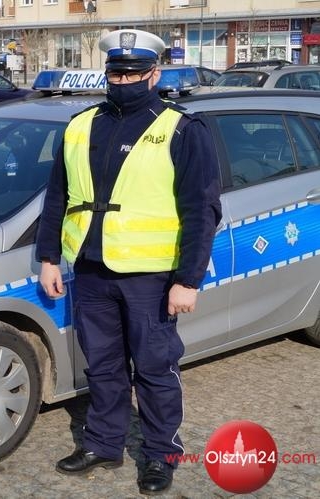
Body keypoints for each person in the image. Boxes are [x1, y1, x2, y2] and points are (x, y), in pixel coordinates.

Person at [36, 29, 221, 495]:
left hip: (151, 278)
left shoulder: (181, 128)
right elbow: (57, 196)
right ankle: (103, 444)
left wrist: (189, 280)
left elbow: (202, 210)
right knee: (102, 366)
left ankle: (160, 454)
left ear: (154, 74)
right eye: (116, 73)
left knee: (155, 369)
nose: (123, 82)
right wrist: (48, 257)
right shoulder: (80, 125)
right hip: (91, 270)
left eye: (134, 74)